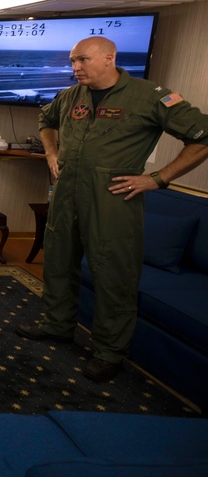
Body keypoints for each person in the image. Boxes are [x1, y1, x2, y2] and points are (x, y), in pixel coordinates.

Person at [16, 36, 208, 382]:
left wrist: (158, 179)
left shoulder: (149, 97)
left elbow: (202, 136)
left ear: (109, 58)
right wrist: (51, 153)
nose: (76, 67)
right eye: (73, 61)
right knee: (59, 261)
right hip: (66, 194)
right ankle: (57, 324)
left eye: (83, 60)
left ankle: (109, 351)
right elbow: (46, 119)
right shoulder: (71, 95)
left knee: (113, 274)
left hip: (112, 198)